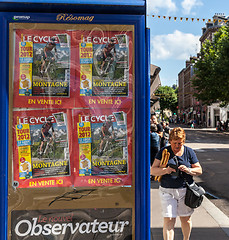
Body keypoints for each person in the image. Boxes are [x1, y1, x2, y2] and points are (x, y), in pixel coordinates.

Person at [150, 127, 202, 240]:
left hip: (184, 190)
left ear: (183, 141)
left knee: (185, 219)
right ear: (170, 141)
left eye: (180, 143)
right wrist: (166, 170)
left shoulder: (189, 152)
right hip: (167, 190)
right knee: (169, 219)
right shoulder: (164, 151)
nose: (177, 146)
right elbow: (152, 170)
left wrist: (189, 170)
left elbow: (199, 170)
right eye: (175, 143)